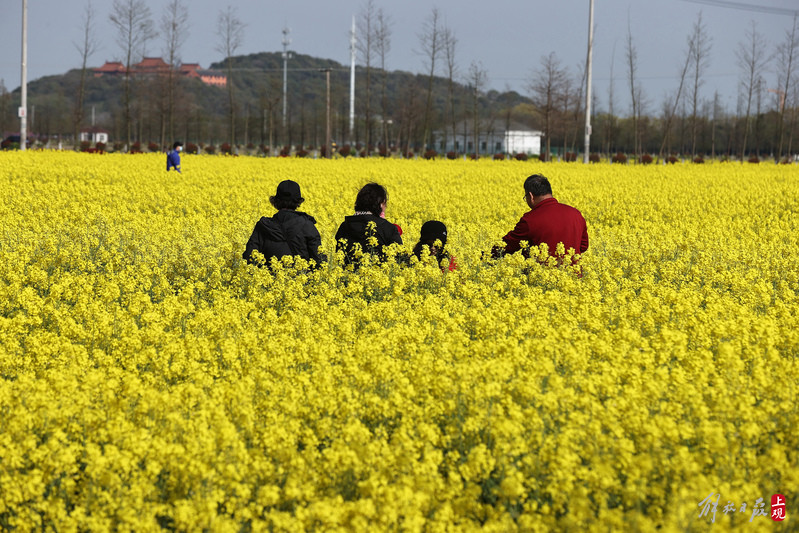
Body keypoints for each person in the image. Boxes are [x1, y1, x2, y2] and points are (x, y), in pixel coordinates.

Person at [494, 173, 588, 262]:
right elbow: (583, 246)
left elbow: (509, 245)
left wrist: (484, 256)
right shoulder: (576, 214)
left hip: (540, 277)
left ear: (531, 196)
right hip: (574, 277)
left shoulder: (530, 220)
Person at [243, 180, 325, 268]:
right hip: (302, 279)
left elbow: (249, 257)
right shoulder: (307, 225)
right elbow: (319, 260)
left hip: (269, 280)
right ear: (298, 202)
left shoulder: (263, 226)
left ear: (276, 201)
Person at [335, 183, 402, 266]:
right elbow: (400, 259)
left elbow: (339, 257)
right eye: (385, 203)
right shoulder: (387, 228)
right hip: (379, 277)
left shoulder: (344, 226)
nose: (386, 207)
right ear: (380, 204)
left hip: (348, 276)